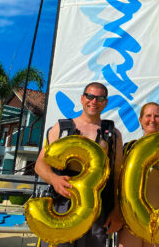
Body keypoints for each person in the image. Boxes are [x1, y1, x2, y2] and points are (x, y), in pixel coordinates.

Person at [35, 82, 124, 247]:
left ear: (105, 103)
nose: (94, 101)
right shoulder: (62, 128)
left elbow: (118, 175)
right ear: (82, 99)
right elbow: (40, 164)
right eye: (90, 96)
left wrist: (117, 210)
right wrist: (54, 179)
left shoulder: (112, 134)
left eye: (100, 98)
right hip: (61, 204)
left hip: (96, 211)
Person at [118, 102, 159, 247]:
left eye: (157, 116)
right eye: (148, 116)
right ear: (140, 120)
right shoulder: (128, 149)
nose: (152, 120)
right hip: (131, 219)